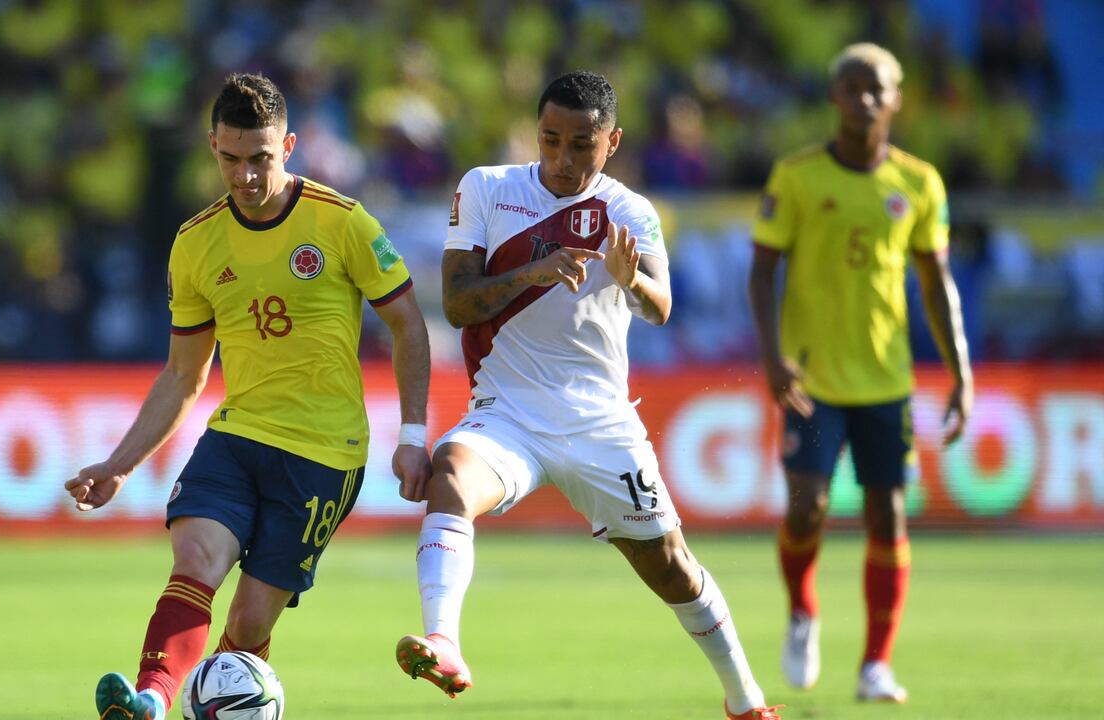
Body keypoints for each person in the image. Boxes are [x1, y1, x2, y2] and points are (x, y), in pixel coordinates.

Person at [393, 70, 783, 720]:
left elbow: (660, 308)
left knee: (673, 570)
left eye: (582, 144)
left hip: (600, 423)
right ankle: (445, 642)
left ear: (613, 142)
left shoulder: (629, 211)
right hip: (507, 416)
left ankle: (746, 702)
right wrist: (533, 271)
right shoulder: (487, 189)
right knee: (450, 477)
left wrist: (632, 282)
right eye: (550, 140)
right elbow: (460, 305)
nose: (563, 159)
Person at [65, 73, 432, 720]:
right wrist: (118, 465)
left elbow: (407, 323)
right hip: (238, 437)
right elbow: (184, 374)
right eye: (230, 159)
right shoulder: (196, 243)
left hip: (325, 451)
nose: (245, 177)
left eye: (260, 159)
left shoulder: (343, 223)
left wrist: (412, 437)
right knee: (196, 558)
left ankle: (214, 706)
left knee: (251, 616)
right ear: (212, 146)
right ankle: (151, 701)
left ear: (287, 145)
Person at [747, 43, 973, 704]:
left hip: (885, 379)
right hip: (810, 379)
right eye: (851, 87)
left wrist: (961, 371)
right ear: (833, 97)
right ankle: (801, 610)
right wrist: (771, 355)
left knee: (888, 518)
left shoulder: (919, 183)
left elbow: (938, 285)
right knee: (808, 506)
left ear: (896, 99)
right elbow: (762, 272)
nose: (863, 99)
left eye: (876, 88)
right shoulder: (796, 176)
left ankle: (876, 664)